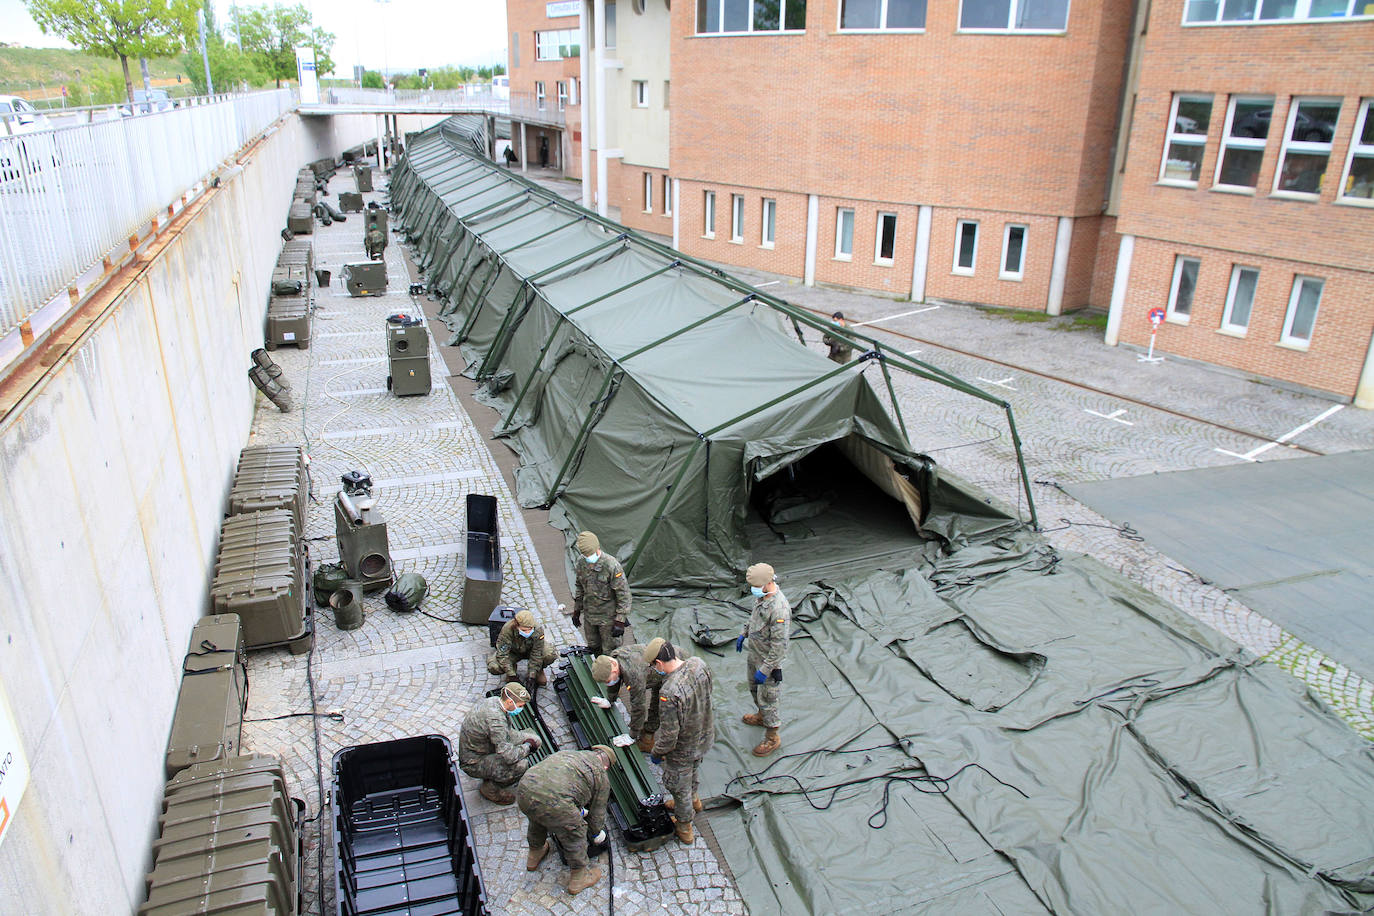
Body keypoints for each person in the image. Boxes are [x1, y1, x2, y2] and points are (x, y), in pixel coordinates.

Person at [518, 745, 617, 895]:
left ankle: (535, 852)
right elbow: (597, 815)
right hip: (555, 802)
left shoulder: (569, 754)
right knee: (575, 833)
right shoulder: (601, 775)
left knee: (537, 817)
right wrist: (596, 833)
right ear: (605, 766)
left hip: (526, 788)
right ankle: (579, 876)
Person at [643, 637, 714, 844]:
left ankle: (684, 827)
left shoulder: (669, 692)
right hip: (705, 735)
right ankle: (695, 800)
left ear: (658, 663)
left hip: (683, 748)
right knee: (693, 770)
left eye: (653, 667)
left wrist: (656, 753)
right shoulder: (698, 664)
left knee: (678, 785)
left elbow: (669, 735)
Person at [736, 563, 790, 757]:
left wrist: (765, 670)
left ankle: (772, 736)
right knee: (754, 690)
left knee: (769, 699)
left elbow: (779, 647)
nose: (753, 590)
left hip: (768, 664)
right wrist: (744, 633)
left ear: (768, 583)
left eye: (756, 586)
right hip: (755, 655)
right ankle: (761, 715)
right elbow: (753, 619)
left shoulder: (779, 610)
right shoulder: (762, 598)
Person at [457, 682, 541, 804]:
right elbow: (509, 757)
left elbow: (506, 733)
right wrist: (527, 747)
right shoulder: (496, 721)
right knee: (521, 765)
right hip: (473, 762)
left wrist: (529, 742)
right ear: (509, 702)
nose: (521, 709)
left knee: (536, 740)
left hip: (485, 746)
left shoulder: (495, 701)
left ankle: (493, 773)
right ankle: (490, 789)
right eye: (520, 705)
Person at [590, 644, 669, 753]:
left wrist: (632, 735)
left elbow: (638, 707)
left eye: (607, 681)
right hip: (653, 667)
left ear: (613, 667)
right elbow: (615, 681)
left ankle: (649, 738)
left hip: (669, 673)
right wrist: (610, 700)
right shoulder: (613, 658)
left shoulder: (633, 676)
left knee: (659, 705)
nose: (608, 683)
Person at [572, 531, 632, 656]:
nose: (588, 558)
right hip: (590, 616)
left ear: (597, 548)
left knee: (610, 652)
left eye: (589, 554)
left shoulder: (611, 565)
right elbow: (580, 587)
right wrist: (577, 611)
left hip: (608, 619)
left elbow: (624, 595)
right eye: (585, 554)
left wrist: (620, 620)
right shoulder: (581, 563)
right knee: (594, 647)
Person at [488, 609, 558, 686]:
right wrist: (512, 675)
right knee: (494, 666)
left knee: (549, 654)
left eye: (530, 629)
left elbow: (537, 653)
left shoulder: (538, 629)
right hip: (513, 652)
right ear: (516, 625)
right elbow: (502, 654)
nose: (527, 632)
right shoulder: (507, 629)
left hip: (530, 651)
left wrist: (532, 675)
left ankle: (539, 670)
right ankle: (512, 668)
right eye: (524, 630)